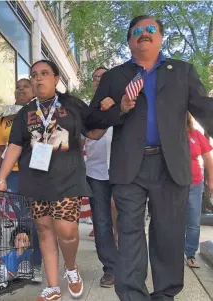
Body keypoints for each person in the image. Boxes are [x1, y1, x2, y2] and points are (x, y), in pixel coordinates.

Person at [88, 15, 213, 301]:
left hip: (171, 166)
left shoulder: (182, 71)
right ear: (130, 39)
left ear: (160, 36)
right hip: (129, 166)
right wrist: (118, 108)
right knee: (130, 234)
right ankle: (133, 295)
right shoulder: (114, 77)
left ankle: (165, 295)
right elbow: (91, 120)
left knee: (168, 234)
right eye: (137, 31)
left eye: (150, 29)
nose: (143, 34)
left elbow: (206, 110)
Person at [0, 60, 108, 301]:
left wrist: (111, 114)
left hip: (68, 177)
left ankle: (71, 268)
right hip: (35, 180)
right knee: (44, 230)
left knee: (66, 231)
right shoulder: (25, 112)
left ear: (56, 79)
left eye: (45, 74)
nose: (38, 79)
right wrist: (1, 177)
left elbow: (94, 131)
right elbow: (14, 145)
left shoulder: (72, 104)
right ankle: (53, 286)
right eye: (34, 75)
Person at [0, 78, 43, 282]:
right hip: (12, 174)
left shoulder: (41, 113)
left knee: (38, 219)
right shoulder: (5, 118)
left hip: (37, 173)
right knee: (24, 219)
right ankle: (25, 261)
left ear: (35, 90)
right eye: (17, 87)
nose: (21, 90)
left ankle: (36, 262)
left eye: (25, 86)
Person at [83, 66, 118, 288]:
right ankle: (111, 269)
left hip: (123, 169)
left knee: (127, 220)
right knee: (102, 222)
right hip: (95, 172)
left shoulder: (125, 105)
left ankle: (129, 264)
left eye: (104, 77)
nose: (99, 81)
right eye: (95, 77)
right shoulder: (86, 111)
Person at [185, 113, 213, 268]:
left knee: (193, 221)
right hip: (174, 184)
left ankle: (190, 254)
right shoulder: (168, 133)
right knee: (173, 220)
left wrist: (211, 181)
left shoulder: (195, 134)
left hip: (195, 183)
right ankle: (173, 252)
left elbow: (208, 158)